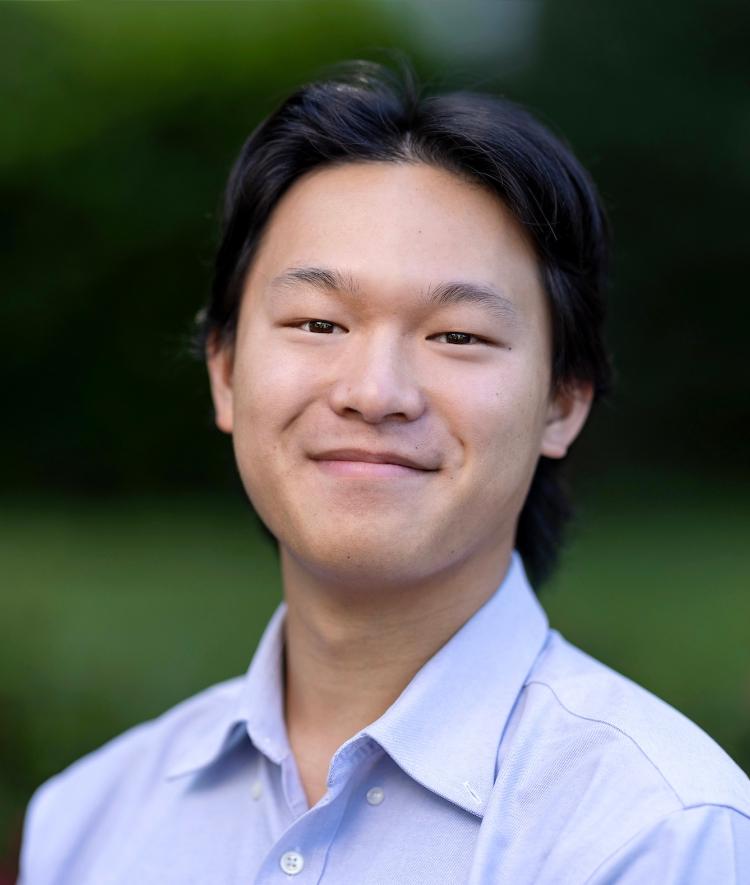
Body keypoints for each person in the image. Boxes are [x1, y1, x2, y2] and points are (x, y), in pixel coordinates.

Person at [18, 60, 750, 884]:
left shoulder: (656, 833)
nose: (375, 392)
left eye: (458, 336)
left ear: (563, 402)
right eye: (319, 321)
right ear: (224, 370)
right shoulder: (89, 821)